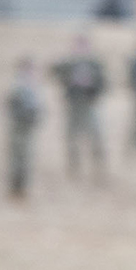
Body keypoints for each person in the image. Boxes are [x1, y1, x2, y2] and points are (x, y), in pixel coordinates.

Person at [51, 34, 108, 181]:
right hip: (73, 105)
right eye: (79, 44)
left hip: (88, 105)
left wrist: (91, 85)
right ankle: (73, 170)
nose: (81, 48)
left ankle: (99, 170)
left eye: (84, 44)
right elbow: (54, 72)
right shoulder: (69, 63)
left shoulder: (95, 64)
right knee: (71, 139)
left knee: (96, 139)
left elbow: (104, 84)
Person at [3, 57, 42, 200]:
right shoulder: (17, 86)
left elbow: (38, 110)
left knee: (26, 159)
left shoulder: (33, 87)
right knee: (17, 159)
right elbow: (11, 105)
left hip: (28, 128)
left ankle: (22, 189)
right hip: (18, 127)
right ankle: (15, 189)